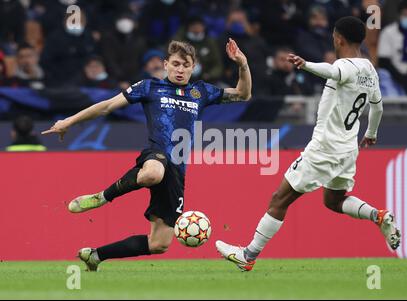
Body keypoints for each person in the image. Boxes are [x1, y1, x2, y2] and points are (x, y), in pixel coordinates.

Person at [42, 39, 252, 271]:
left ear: (193, 67)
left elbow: (243, 94)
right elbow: (106, 106)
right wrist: (68, 122)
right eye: (175, 64)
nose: (180, 69)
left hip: (177, 171)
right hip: (157, 153)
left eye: (186, 65)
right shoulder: (149, 87)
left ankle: (96, 256)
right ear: (166, 64)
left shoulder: (200, 92)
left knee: (159, 244)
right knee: (152, 173)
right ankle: (102, 196)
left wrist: (242, 64)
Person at [216, 17, 401, 272]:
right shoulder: (369, 69)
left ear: (338, 38)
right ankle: (377, 216)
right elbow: (378, 107)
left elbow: (333, 71)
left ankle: (248, 256)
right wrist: (371, 133)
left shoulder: (344, 65)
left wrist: (305, 65)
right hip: (347, 150)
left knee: (279, 199)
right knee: (334, 201)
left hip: (325, 147)